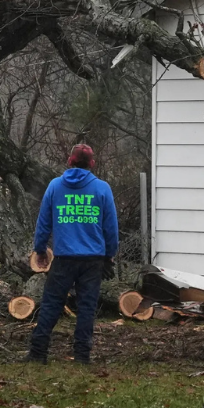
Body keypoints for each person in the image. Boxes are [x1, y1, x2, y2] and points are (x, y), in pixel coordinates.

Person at [25, 144, 119, 365]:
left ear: (69, 161)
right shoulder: (102, 188)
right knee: (87, 307)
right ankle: (81, 356)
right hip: (93, 259)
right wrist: (109, 254)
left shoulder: (55, 187)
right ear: (92, 164)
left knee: (51, 304)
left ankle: (38, 352)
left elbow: (43, 222)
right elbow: (111, 228)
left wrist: (40, 250)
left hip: (64, 257)